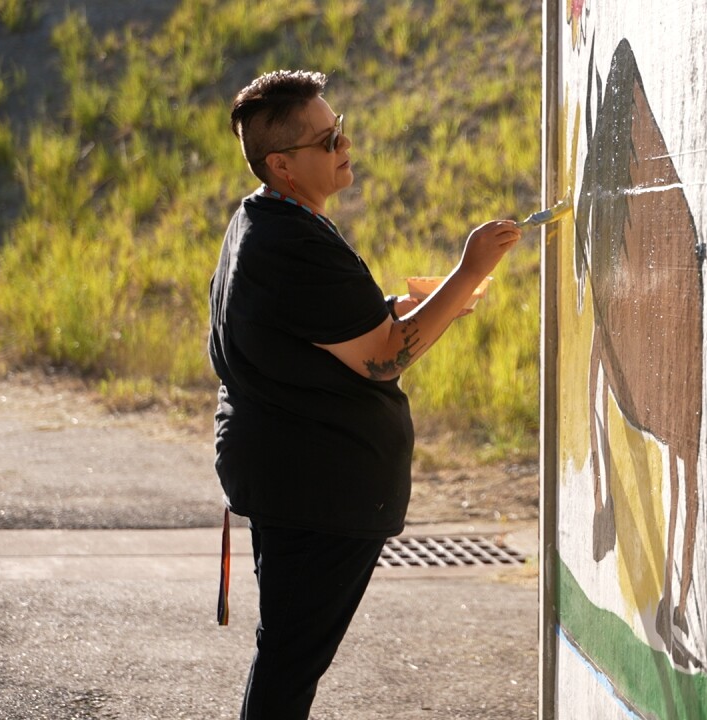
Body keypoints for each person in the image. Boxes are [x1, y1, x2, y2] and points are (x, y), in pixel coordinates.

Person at [208, 69, 520, 719]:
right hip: (313, 489)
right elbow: (383, 358)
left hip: (293, 479)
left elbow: (318, 333)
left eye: (340, 128)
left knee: (288, 653)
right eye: (327, 141)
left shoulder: (263, 218)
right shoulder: (292, 243)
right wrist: (468, 273)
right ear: (283, 165)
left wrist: (398, 308)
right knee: (291, 659)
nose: (344, 146)